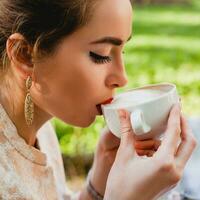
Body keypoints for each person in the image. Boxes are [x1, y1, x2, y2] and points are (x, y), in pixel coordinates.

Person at [0, 0, 196, 199]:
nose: (122, 78)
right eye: (100, 55)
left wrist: (97, 187)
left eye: (123, 51)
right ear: (25, 55)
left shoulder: (38, 127)